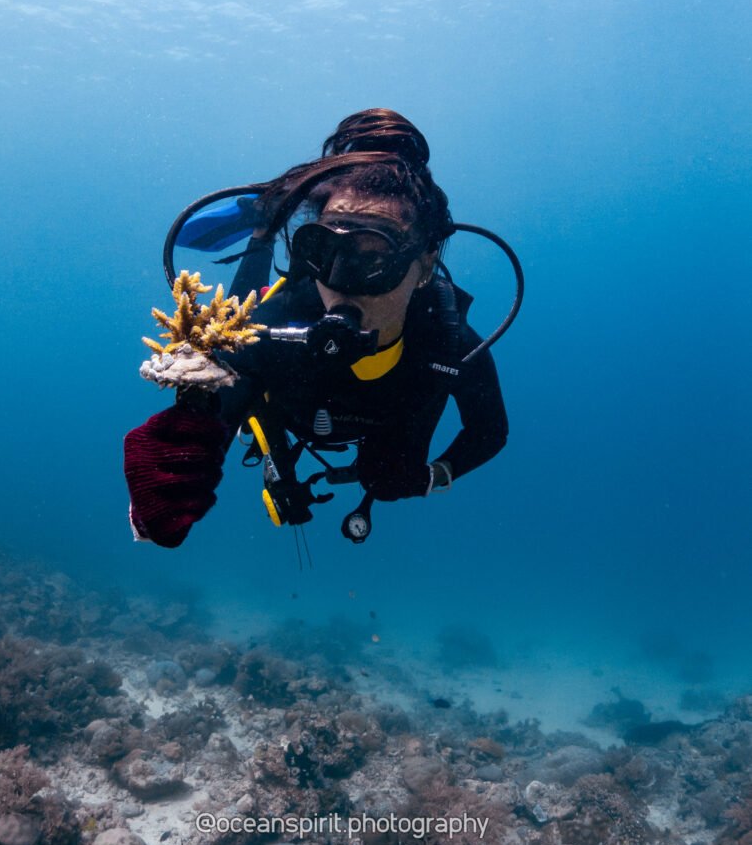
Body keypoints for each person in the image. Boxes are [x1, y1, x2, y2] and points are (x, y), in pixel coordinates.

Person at [124, 109, 510, 548]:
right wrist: (180, 450)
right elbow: (224, 398)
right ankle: (264, 229)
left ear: (425, 263)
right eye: (323, 248)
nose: (341, 280)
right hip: (285, 408)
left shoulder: (448, 344)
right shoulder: (274, 325)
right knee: (240, 315)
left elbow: (489, 431)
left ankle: (269, 227)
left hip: (385, 426)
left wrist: (431, 477)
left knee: (390, 473)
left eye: (373, 255)